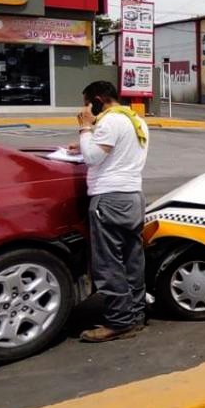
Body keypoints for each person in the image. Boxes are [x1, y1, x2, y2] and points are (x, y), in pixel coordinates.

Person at [73, 81, 151, 343]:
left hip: (109, 198)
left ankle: (119, 322)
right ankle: (136, 315)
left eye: (87, 103)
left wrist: (84, 128)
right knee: (132, 260)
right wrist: (88, 138)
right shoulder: (136, 120)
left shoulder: (109, 121)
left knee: (108, 264)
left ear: (97, 99)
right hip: (133, 197)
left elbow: (93, 158)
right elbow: (115, 152)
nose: (85, 108)